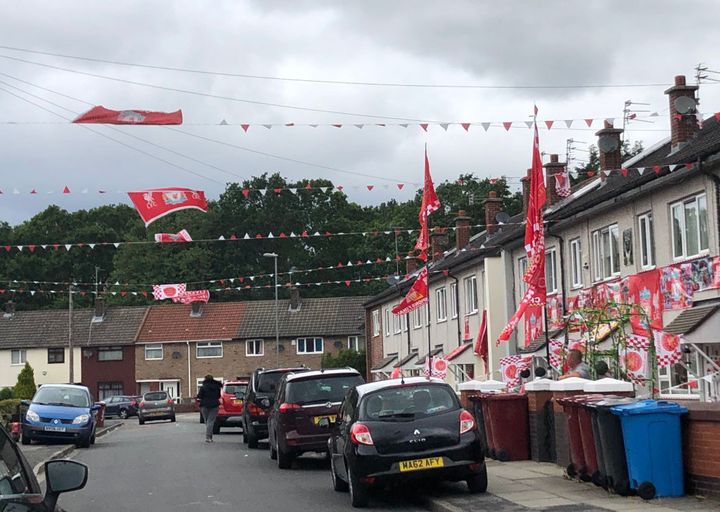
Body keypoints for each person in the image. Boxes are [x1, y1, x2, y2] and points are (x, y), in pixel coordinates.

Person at [197, 375, 222, 442]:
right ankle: (209, 437)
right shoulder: (217, 387)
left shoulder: (203, 387)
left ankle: (208, 437)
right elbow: (219, 396)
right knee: (211, 421)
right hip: (214, 405)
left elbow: (199, 396)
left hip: (204, 406)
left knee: (207, 421)